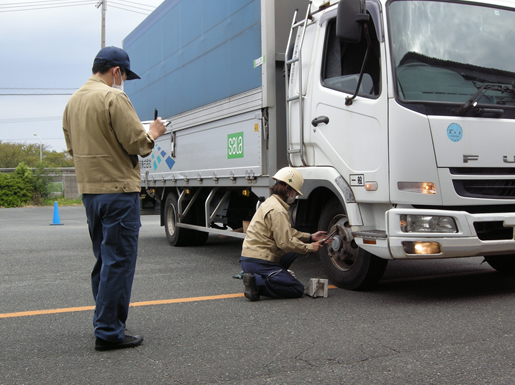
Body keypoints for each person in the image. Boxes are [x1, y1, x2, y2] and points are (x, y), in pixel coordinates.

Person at [62, 46, 166, 351]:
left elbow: (71, 147)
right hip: (119, 191)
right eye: (123, 76)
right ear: (116, 71)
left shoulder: (72, 102)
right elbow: (137, 142)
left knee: (104, 261)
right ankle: (108, 332)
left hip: (90, 192)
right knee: (119, 262)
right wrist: (155, 132)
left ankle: (105, 321)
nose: (122, 82)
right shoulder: (113, 97)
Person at [240, 167, 331, 301]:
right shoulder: (278, 211)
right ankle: (257, 282)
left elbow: (287, 233)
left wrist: (311, 237)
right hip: (259, 261)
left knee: (293, 251)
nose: (295, 196)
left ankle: (274, 276)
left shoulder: (270, 202)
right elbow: (286, 243)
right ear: (288, 189)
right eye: (294, 192)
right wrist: (311, 247)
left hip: (249, 258)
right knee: (296, 289)